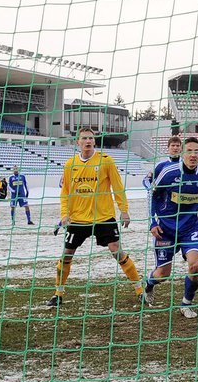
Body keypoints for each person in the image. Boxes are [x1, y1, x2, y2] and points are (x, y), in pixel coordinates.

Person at [50, 127, 144, 307]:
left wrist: (123, 209)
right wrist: (64, 215)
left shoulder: (106, 161)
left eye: (90, 139)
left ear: (94, 142)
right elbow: (65, 192)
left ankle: (140, 289)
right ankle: (58, 294)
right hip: (78, 219)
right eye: (84, 138)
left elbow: (117, 187)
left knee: (117, 250)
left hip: (103, 217)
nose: (87, 141)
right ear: (78, 142)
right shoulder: (70, 164)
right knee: (67, 254)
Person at [143, 137, 198, 318]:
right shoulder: (168, 172)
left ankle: (186, 303)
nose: (193, 155)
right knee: (163, 274)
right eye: (189, 151)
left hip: (189, 228)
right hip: (165, 230)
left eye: (196, 152)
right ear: (183, 153)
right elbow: (151, 195)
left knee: (195, 267)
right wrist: (152, 222)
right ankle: (148, 284)